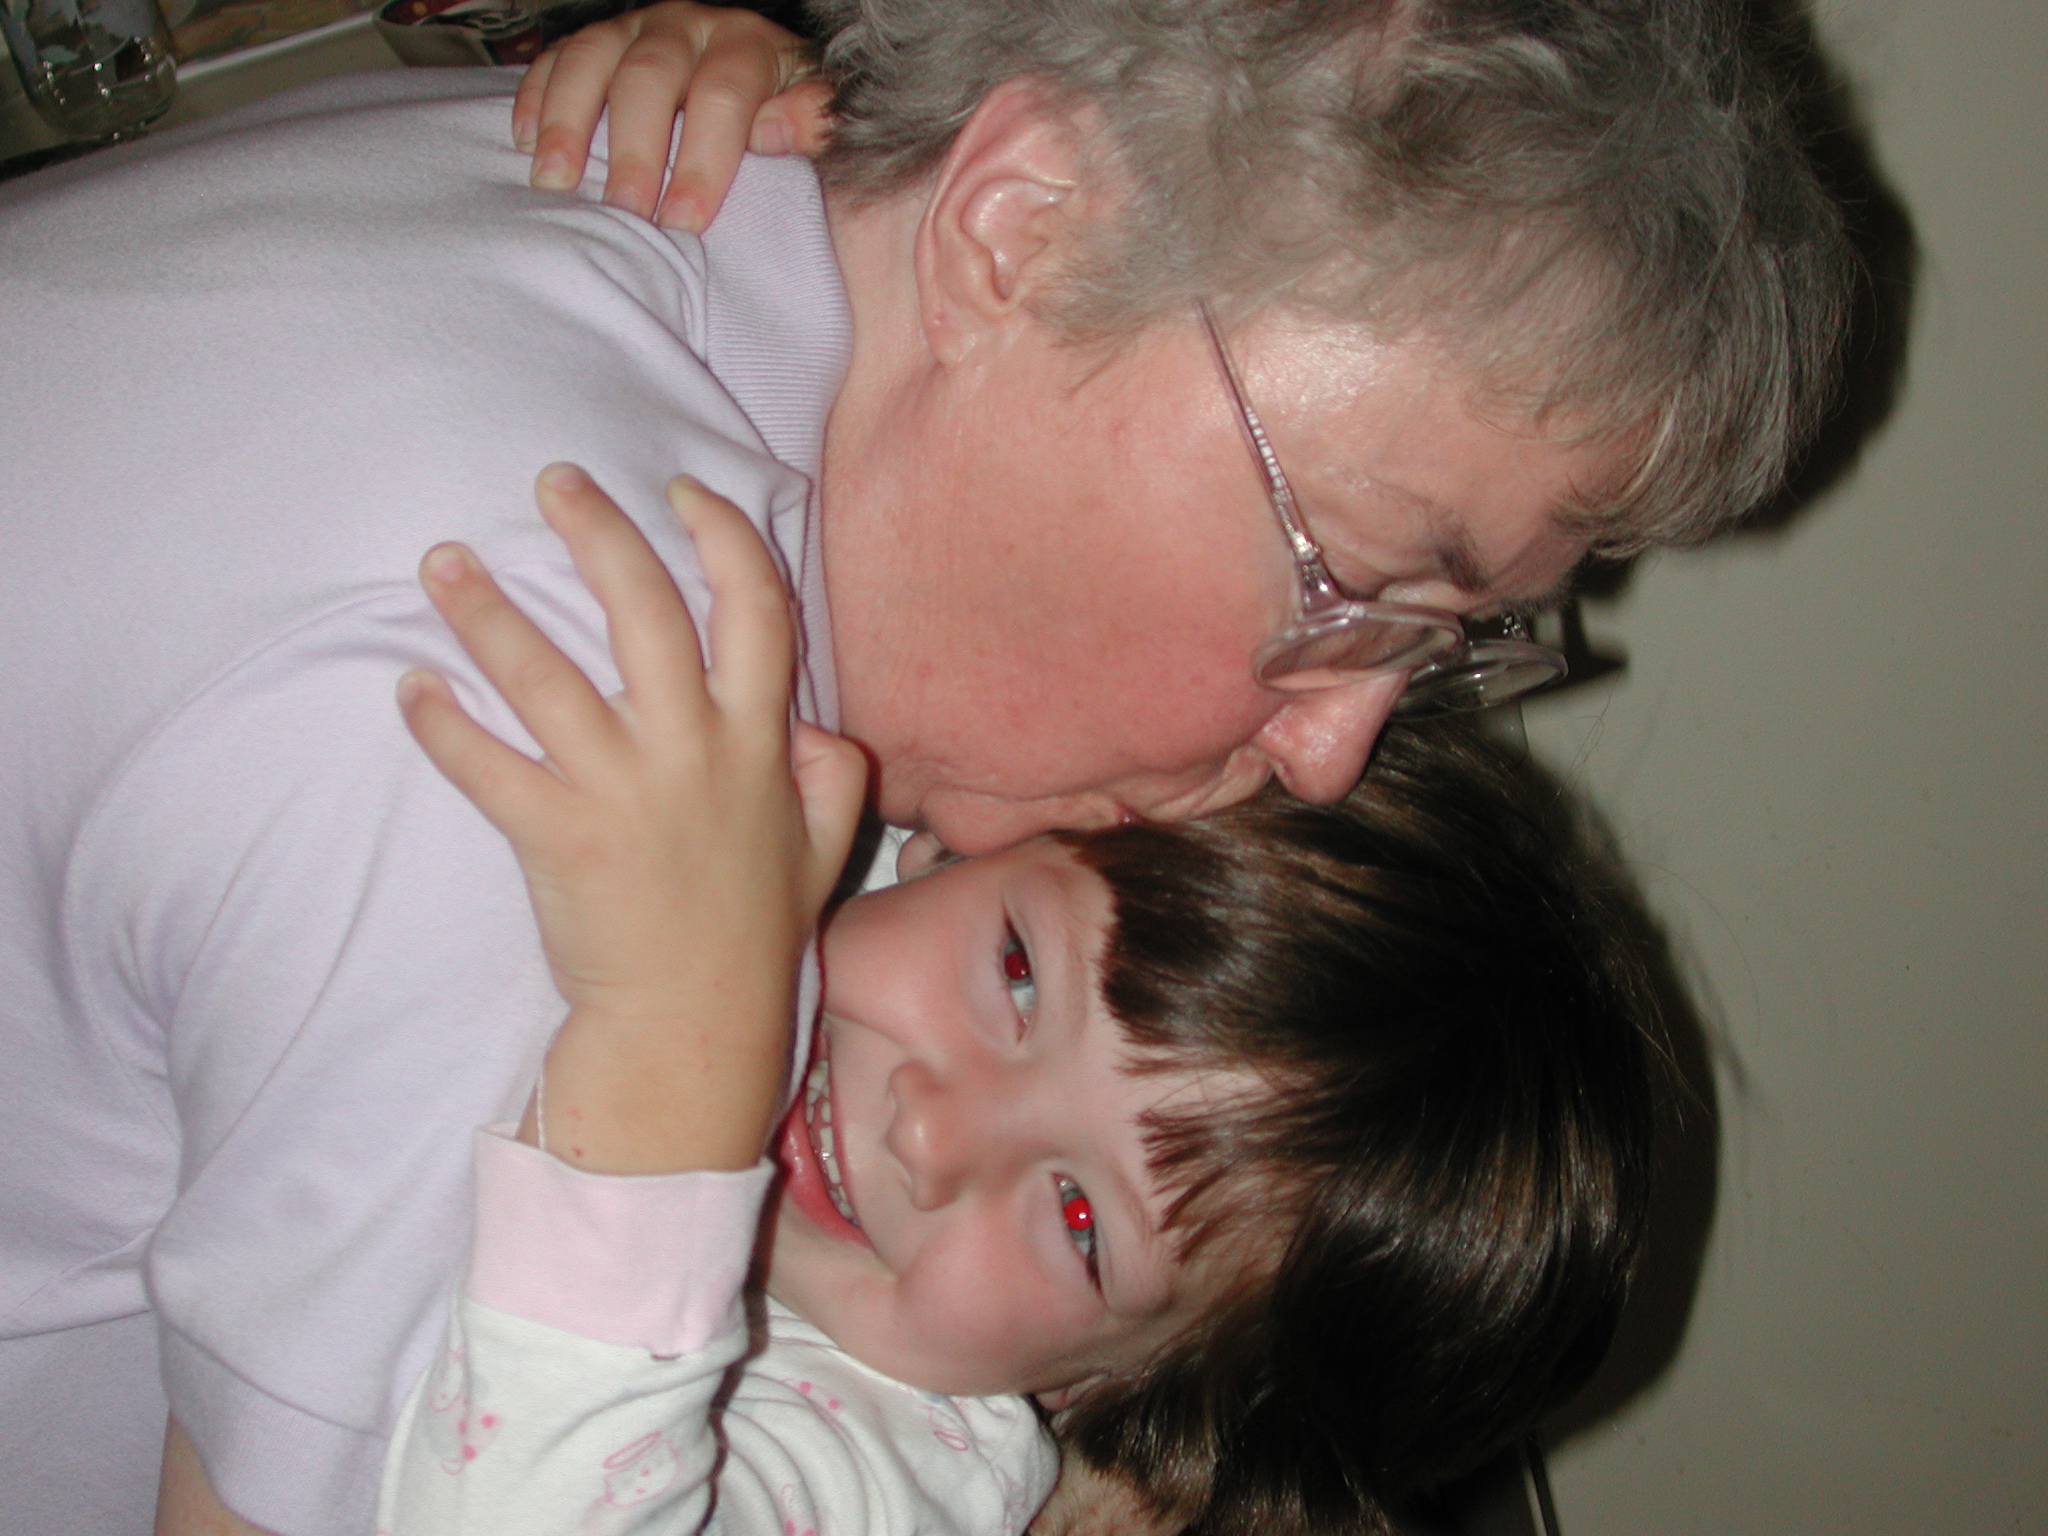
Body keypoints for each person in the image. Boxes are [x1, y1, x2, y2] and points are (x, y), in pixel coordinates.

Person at [0, 3, 1852, 1533]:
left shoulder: (713, 189)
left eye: (1441, 647)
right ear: (1018, 228)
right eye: (1352, 587)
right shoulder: (560, 731)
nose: (1324, 757)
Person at [374, 473, 1660, 1536]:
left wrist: (670, 1047)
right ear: (980, 837)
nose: (932, 1133)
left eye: (1080, 1220)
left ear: (1108, 1386)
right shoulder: (826, 788)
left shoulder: (893, 1463)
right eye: (1016, 973)